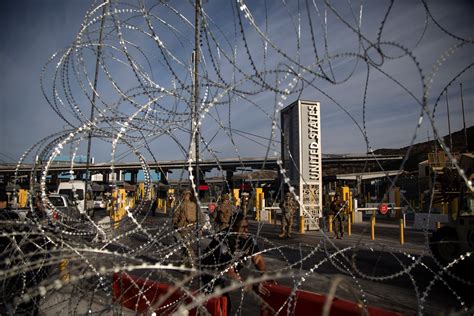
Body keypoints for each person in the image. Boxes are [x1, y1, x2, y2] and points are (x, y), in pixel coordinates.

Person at [201, 212, 271, 314]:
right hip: (211, 273)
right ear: (233, 227)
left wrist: (265, 277)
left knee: (224, 304)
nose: (246, 230)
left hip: (226, 272)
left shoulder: (247, 239)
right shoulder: (224, 239)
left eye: (247, 226)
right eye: (242, 227)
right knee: (221, 303)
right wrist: (250, 286)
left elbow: (258, 259)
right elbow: (228, 270)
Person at [172, 190, 204, 267]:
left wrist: (175, 224)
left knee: (187, 246)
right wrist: (200, 228)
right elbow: (201, 217)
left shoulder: (180, 204)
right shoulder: (194, 205)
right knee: (188, 245)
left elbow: (175, 216)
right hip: (193, 227)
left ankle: (192, 263)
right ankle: (183, 262)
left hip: (184, 227)